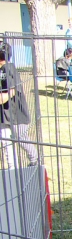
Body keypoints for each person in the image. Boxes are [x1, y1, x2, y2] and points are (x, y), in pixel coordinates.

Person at [0, 41, 39, 169]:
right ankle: (12, 167)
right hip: (4, 114)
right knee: (5, 141)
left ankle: (35, 160)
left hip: (16, 113)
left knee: (21, 138)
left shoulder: (8, 68)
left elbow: (13, 90)